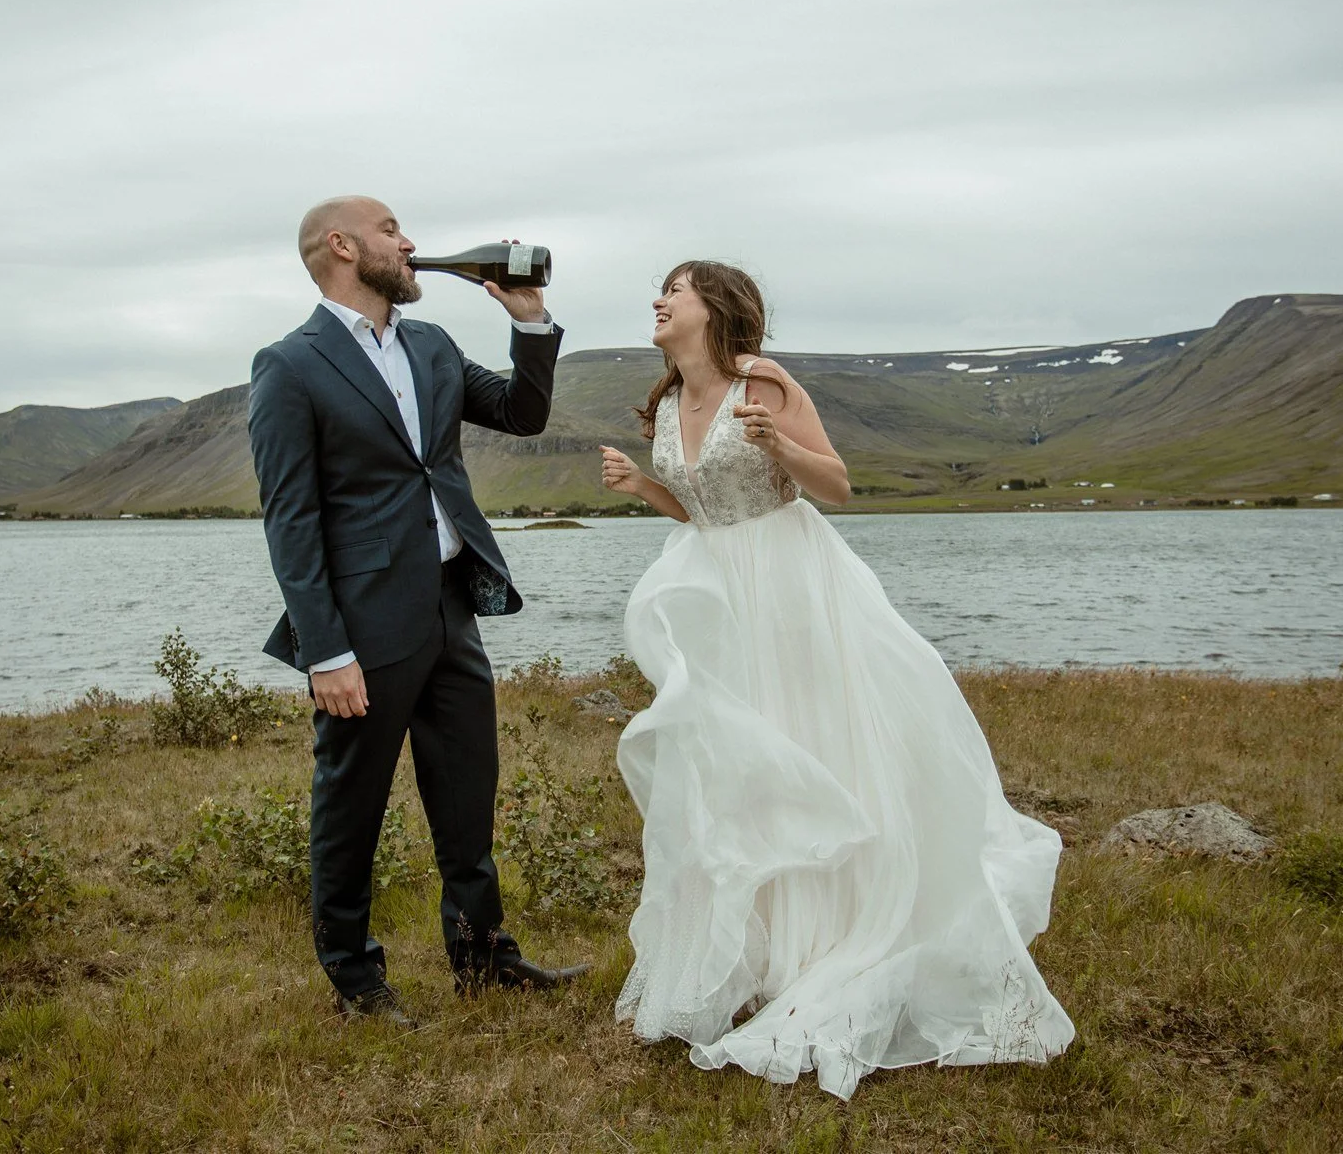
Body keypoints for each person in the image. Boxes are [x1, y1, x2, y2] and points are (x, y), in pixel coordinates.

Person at [599, 261, 1074, 1099]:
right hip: (716, 593)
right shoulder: (670, 404)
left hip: (791, 584)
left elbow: (838, 485)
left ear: (715, 306)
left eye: (674, 289)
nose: (658, 301)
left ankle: (833, 941)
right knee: (737, 766)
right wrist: (645, 485)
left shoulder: (766, 383)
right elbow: (699, 505)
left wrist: (782, 445)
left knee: (811, 746)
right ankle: (758, 947)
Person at [248, 195, 588, 1028]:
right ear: (341, 246)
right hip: (361, 625)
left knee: (468, 793)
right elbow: (291, 521)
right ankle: (356, 980)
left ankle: (481, 955)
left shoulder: (431, 344)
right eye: (392, 230)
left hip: (450, 604)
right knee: (351, 803)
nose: (410, 243)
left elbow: (522, 411)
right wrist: (325, 652)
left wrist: (531, 321)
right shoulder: (290, 365)